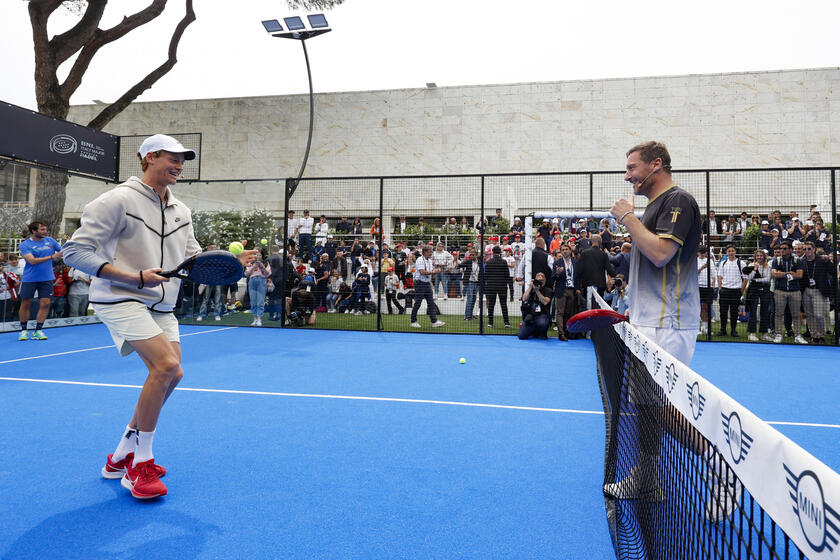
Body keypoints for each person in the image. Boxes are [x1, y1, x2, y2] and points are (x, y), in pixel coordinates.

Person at [63, 134, 257, 499]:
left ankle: (121, 455)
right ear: (150, 157)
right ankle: (140, 465)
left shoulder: (181, 210)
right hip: (120, 296)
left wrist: (230, 262)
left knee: (172, 373)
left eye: (183, 159)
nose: (181, 165)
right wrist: (132, 276)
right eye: (174, 158)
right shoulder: (117, 199)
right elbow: (74, 252)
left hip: (162, 303)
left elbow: (192, 258)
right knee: (165, 366)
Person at [605, 142, 710, 507]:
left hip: (670, 324)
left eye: (632, 167)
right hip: (647, 324)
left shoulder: (678, 201)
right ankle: (648, 476)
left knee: (663, 406)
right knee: (647, 406)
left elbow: (662, 254)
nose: (627, 175)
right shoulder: (652, 209)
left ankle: (717, 464)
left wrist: (628, 219)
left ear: (656, 165)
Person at [17, 221, 63, 340]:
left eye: (45, 229)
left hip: (47, 278)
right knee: (26, 304)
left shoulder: (51, 241)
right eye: (42, 229)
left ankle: (38, 330)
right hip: (29, 278)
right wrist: (52, 256)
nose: (45, 232)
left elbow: (62, 251)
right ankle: (23, 330)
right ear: (34, 231)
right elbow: (31, 261)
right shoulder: (25, 245)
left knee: (45, 303)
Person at [770, 240, 806, 344]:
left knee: (796, 314)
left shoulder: (797, 260)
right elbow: (774, 274)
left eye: (784, 248)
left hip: (794, 291)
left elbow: (800, 275)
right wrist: (788, 273)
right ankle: (778, 335)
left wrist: (781, 273)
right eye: (781, 248)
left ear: (790, 250)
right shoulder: (776, 260)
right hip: (780, 291)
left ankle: (798, 335)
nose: (782, 250)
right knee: (778, 313)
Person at [800, 241, 833, 344]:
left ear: (814, 249)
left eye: (809, 248)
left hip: (819, 290)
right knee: (809, 315)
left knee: (818, 315)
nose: (807, 251)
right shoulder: (801, 261)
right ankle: (814, 335)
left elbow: (832, 271)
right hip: (806, 290)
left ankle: (821, 335)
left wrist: (828, 261)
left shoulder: (822, 260)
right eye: (805, 249)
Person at [410, 244, 445, 328]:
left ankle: (434, 321)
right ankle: (413, 321)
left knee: (431, 303)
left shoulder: (429, 261)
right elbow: (422, 272)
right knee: (418, 302)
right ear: (425, 252)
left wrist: (430, 282)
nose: (431, 253)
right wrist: (434, 272)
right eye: (430, 251)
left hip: (426, 283)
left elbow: (429, 273)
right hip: (419, 283)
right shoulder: (419, 260)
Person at [716, 245, 746, 337]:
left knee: (734, 312)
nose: (731, 252)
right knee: (723, 311)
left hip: (736, 291)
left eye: (732, 251)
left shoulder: (741, 263)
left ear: (735, 252)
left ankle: (733, 330)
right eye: (729, 251)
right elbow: (720, 277)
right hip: (725, 290)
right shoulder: (723, 263)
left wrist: (741, 291)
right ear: (726, 252)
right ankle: (723, 330)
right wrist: (720, 289)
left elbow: (745, 278)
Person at [551, 243, 579, 341]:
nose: (565, 251)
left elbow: (577, 277)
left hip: (572, 289)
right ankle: (561, 333)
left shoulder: (575, 262)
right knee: (560, 312)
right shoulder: (557, 262)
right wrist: (558, 273)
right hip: (561, 289)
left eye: (566, 249)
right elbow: (552, 277)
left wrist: (578, 288)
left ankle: (567, 332)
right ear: (561, 251)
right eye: (563, 250)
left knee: (569, 312)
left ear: (570, 251)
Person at [744, 249, 772, 341]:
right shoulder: (751, 265)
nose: (759, 257)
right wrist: (754, 270)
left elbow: (767, 279)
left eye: (761, 255)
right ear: (755, 257)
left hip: (765, 290)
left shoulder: (768, 266)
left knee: (764, 312)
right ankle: (752, 333)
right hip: (753, 290)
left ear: (764, 256)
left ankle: (764, 334)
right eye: (757, 256)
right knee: (753, 311)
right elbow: (750, 278)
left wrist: (757, 280)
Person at [517, 272, 553, 340]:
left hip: (542, 314)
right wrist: (530, 287)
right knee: (521, 336)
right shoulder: (531, 289)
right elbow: (524, 298)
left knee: (543, 323)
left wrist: (537, 291)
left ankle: (543, 332)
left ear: (545, 280)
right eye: (538, 276)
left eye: (542, 277)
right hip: (531, 315)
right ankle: (534, 331)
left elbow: (545, 302)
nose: (540, 278)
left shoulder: (548, 290)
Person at [484, 246, 511, 328]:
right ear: (500, 252)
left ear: (492, 252)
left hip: (491, 286)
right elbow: (507, 275)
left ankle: (490, 322)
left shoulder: (488, 262)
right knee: (503, 304)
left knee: (491, 304)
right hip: (502, 285)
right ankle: (506, 322)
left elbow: (486, 275)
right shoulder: (504, 262)